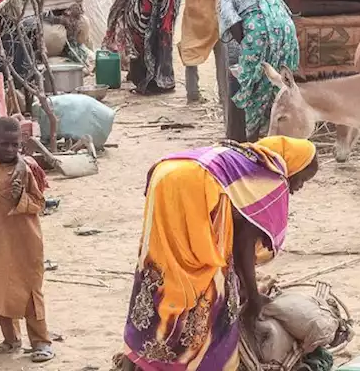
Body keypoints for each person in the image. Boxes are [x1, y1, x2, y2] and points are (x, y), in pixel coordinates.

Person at [119, 136, 318, 370]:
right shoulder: (270, 178)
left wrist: (244, 283)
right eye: (302, 179)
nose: (298, 188)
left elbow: (233, 234)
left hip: (166, 172)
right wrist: (253, 298)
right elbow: (243, 245)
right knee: (211, 289)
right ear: (294, 165)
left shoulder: (247, 159)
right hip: (196, 182)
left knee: (161, 270)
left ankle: (138, 359)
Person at [0, 117, 53, 363]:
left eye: (15, 145)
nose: (11, 150)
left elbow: (40, 203)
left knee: (29, 290)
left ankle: (41, 341)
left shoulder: (26, 168)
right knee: (0, 286)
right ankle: (11, 339)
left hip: (23, 240)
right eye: (4, 144)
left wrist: (19, 199)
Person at [215, 0, 300, 138]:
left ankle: (251, 136)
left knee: (251, 83)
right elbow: (284, 9)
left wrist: (247, 49)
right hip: (286, 31)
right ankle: (277, 131)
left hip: (259, 31)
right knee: (275, 81)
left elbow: (232, 21)